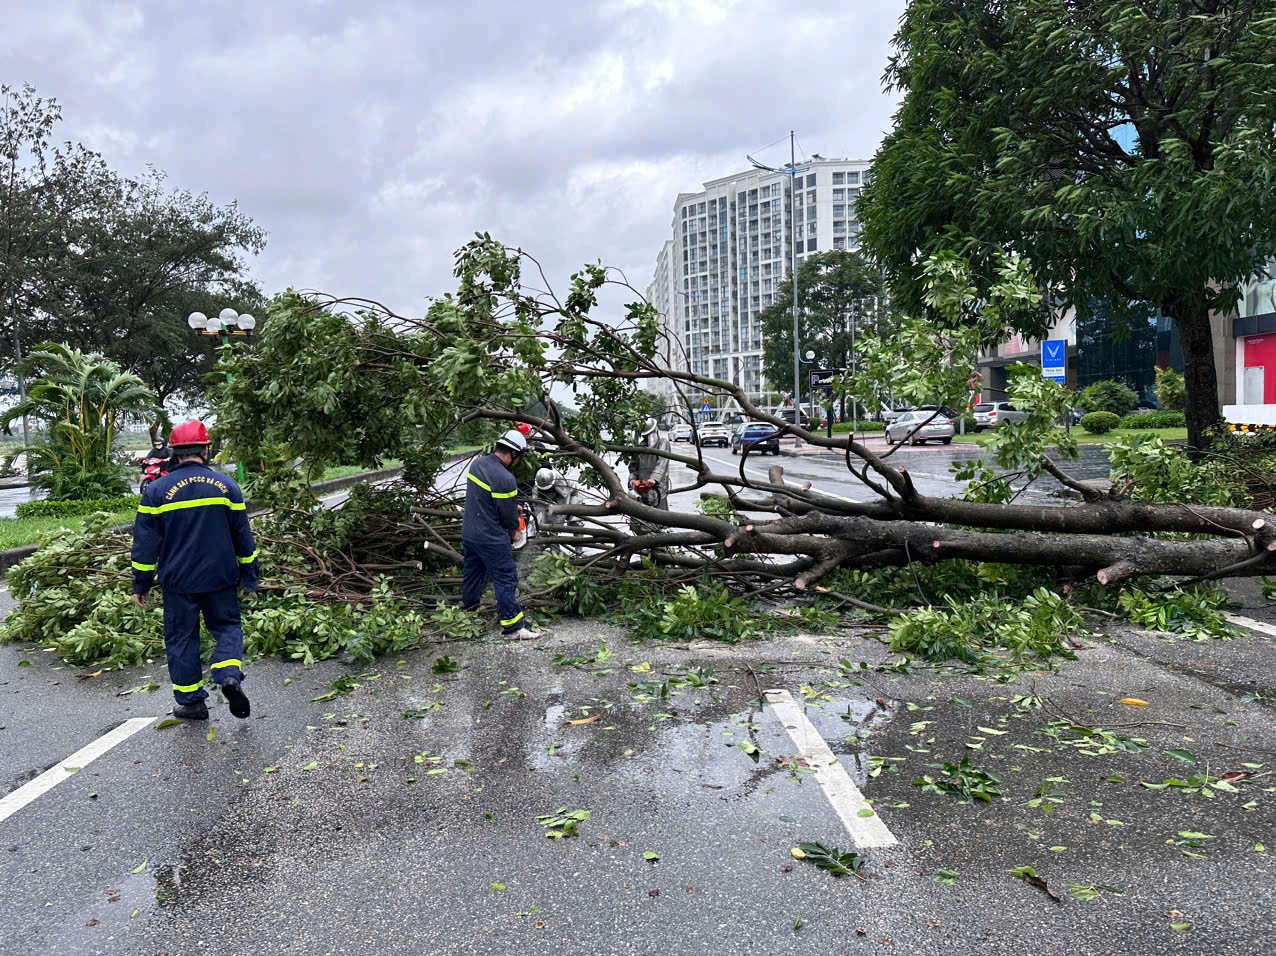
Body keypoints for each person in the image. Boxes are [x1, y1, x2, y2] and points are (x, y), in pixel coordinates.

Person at [131, 420, 260, 721]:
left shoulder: (157, 491)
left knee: (181, 638)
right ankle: (229, 674)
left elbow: (145, 544)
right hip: (220, 577)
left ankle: (191, 703)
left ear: (174, 452)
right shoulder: (228, 486)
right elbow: (243, 537)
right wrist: (249, 575)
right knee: (227, 627)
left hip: (178, 581)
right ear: (205, 448)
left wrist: (141, 583)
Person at [461, 429, 544, 641]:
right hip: (490, 538)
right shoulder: (506, 478)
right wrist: (515, 530)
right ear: (513, 454)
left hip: (470, 533)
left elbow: (485, 499)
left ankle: (468, 615)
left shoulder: (478, 464)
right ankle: (513, 627)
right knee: (506, 578)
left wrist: (509, 506)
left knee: (473, 575)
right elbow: (507, 518)